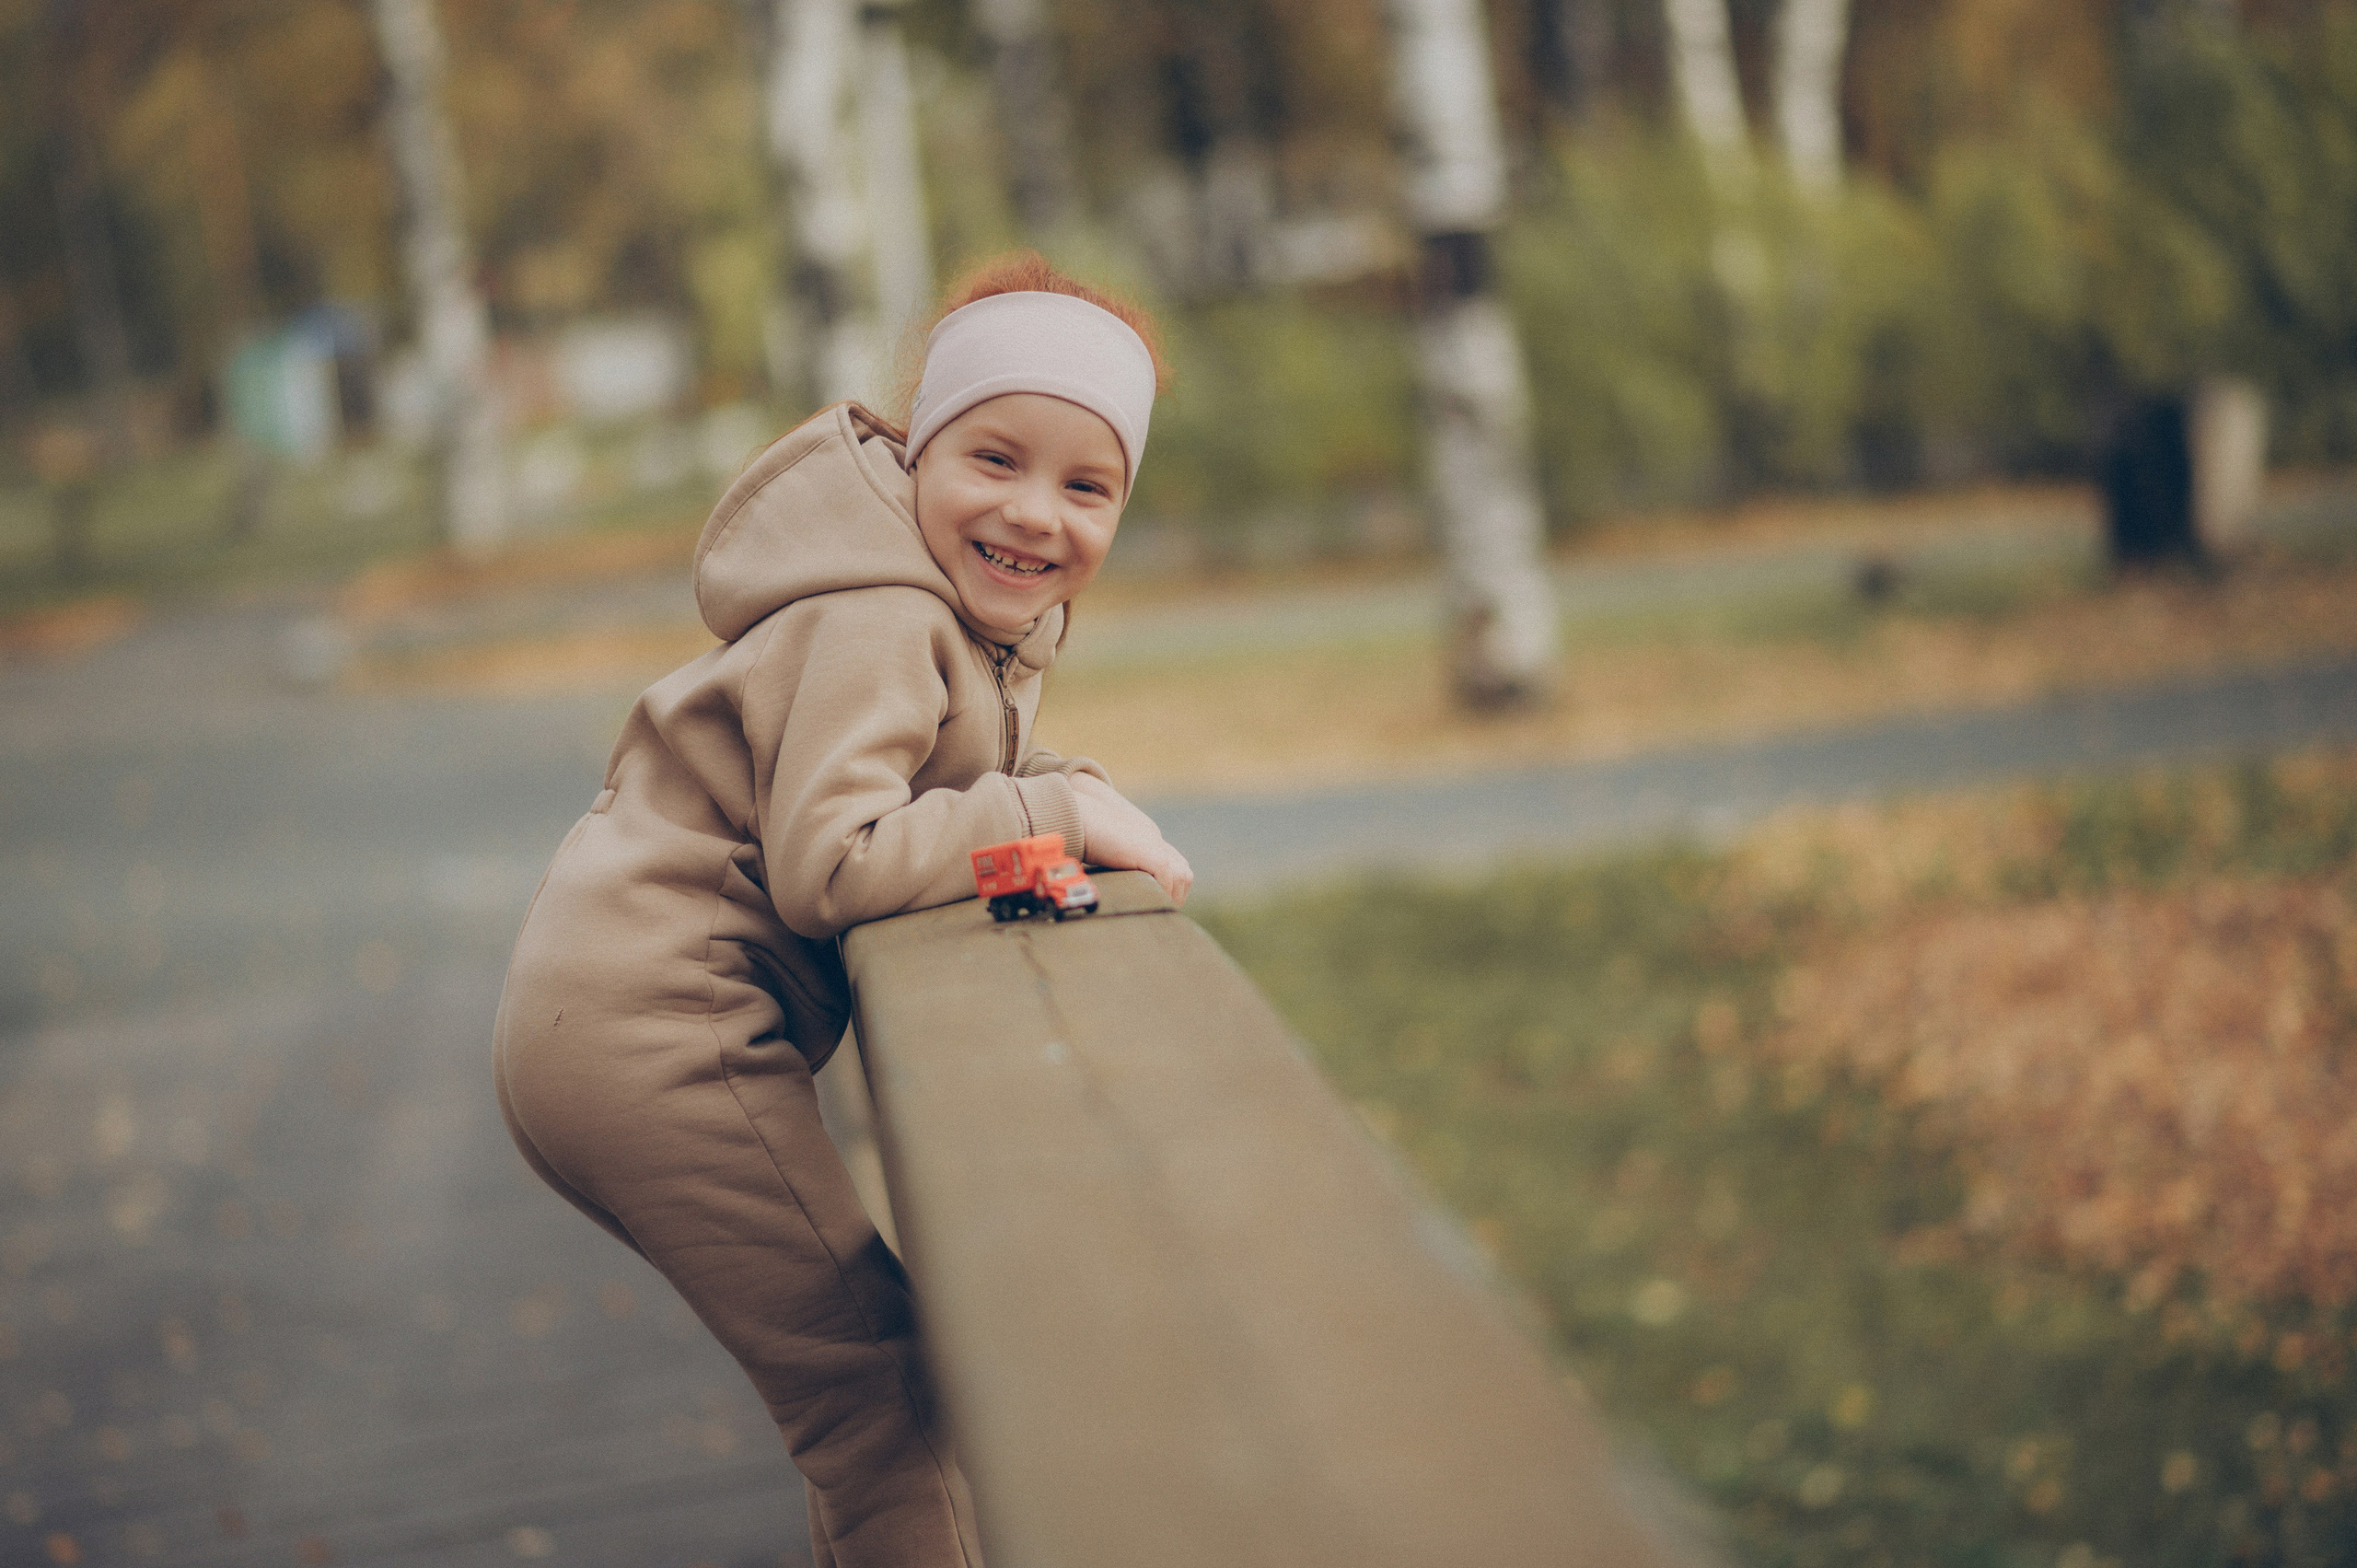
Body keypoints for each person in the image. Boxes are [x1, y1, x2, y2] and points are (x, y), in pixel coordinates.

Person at [493, 253, 1192, 1568]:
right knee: (882, 1405)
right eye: (995, 459)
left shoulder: (955, 617)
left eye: (1086, 485)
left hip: (622, 1021)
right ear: (918, 452)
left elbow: (938, 796)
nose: (1036, 514)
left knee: (875, 1396)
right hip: (656, 1040)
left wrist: (1057, 800)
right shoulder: (878, 617)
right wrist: (1053, 822)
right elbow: (839, 861)